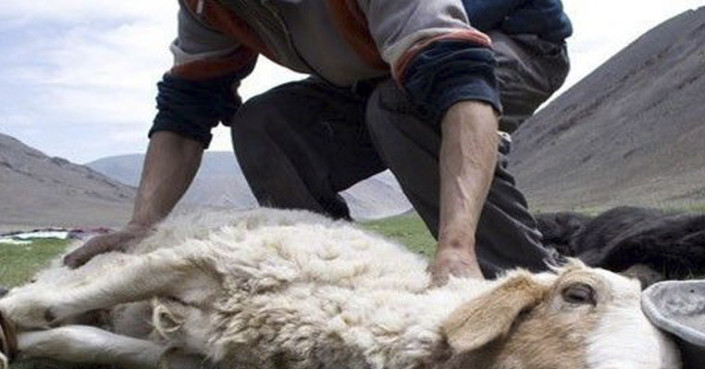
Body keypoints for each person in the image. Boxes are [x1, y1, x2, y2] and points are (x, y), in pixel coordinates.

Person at [64, 0, 572, 285]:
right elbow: (186, 107)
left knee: (400, 107)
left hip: (511, 45)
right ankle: (344, 284)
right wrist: (142, 226)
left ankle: (527, 281)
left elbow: (457, 76)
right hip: (379, 69)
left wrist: (456, 245)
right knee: (266, 124)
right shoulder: (208, 5)